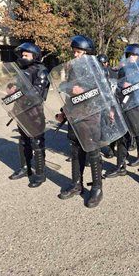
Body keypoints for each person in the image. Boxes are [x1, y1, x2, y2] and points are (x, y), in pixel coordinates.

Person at [56, 36, 104, 208]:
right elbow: (70, 94)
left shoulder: (96, 69)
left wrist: (84, 90)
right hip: (75, 114)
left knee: (92, 151)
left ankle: (97, 187)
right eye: (74, 52)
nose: (75, 55)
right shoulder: (73, 70)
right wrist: (63, 112)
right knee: (76, 150)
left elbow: (102, 92)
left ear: (87, 53)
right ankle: (77, 184)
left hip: (91, 115)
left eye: (78, 52)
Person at [106, 43, 139, 188]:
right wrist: (113, 108)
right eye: (130, 55)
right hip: (123, 107)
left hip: (138, 107)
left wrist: (133, 86)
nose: (132, 57)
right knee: (122, 137)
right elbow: (117, 89)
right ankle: (120, 167)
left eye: (135, 55)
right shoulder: (123, 70)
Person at [8, 42, 49, 188]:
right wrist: (11, 91)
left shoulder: (41, 70)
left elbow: (37, 93)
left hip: (35, 112)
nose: (23, 57)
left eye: (26, 55)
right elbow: (15, 89)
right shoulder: (21, 70)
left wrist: (20, 91)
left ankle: (40, 174)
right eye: (22, 55)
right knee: (23, 141)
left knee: (36, 142)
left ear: (35, 55)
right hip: (21, 111)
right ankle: (25, 168)